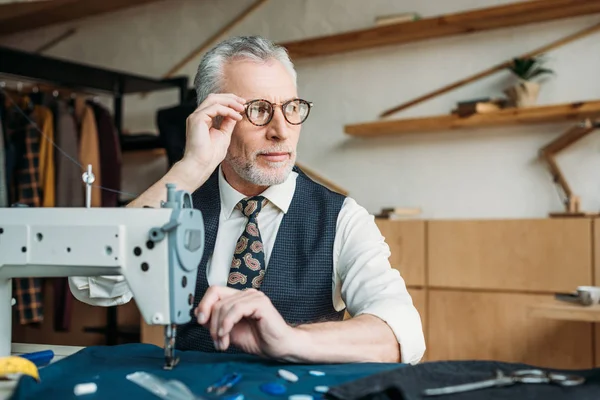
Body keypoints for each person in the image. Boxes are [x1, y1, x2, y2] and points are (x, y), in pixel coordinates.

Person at [69, 36, 425, 365]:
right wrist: (189, 169)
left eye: (291, 107)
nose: (281, 130)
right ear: (215, 117)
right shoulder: (176, 204)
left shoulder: (342, 218)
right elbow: (91, 284)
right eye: (258, 110)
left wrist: (288, 339)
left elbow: (402, 334)